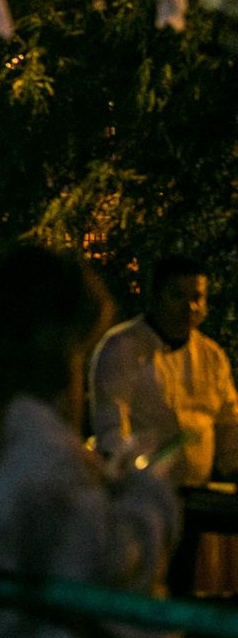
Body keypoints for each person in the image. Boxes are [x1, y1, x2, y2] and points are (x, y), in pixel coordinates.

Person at [0, 247, 179, 638]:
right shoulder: (31, 439)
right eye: (82, 347)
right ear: (57, 341)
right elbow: (96, 560)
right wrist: (147, 495)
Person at [91, 253, 238, 599]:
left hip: (200, 498)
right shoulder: (122, 348)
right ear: (153, 296)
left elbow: (230, 424)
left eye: (197, 297)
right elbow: (112, 430)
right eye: (178, 295)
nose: (189, 307)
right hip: (143, 503)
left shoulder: (212, 356)